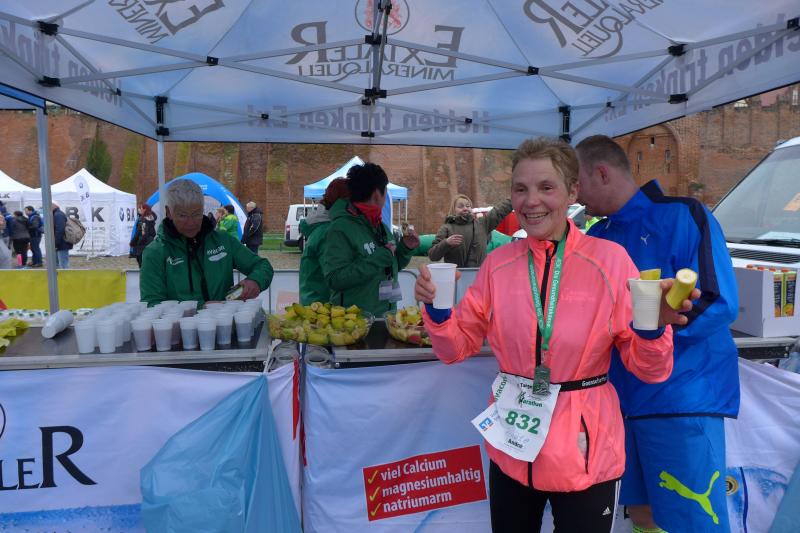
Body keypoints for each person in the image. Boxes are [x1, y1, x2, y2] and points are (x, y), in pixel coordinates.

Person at [414, 137, 700, 532]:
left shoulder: (610, 261)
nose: (531, 201)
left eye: (546, 187)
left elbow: (649, 370)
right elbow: (455, 348)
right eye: (521, 189)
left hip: (584, 450)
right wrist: (438, 311)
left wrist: (652, 328)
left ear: (572, 192)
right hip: (513, 446)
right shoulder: (498, 265)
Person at [575, 135, 739, 533]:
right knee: (642, 513)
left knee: (694, 519)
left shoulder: (684, 215)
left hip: (680, 398)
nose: (574, 195)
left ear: (602, 173)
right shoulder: (595, 238)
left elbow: (718, 301)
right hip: (619, 403)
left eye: (576, 182)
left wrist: (645, 335)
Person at [140, 180, 274, 306]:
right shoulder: (155, 252)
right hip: (179, 324)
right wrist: (200, 310)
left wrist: (255, 281)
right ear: (169, 212)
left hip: (225, 322)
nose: (191, 223)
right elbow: (151, 303)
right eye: (182, 215)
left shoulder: (223, 241)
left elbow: (263, 266)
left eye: (196, 214)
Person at [321, 163, 419, 316]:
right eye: (386, 191)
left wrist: (405, 249)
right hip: (355, 323)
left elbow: (390, 266)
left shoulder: (381, 226)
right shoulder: (340, 228)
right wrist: (379, 258)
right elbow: (335, 279)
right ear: (377, 194)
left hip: (386, 317)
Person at [299, 178, 349, 305]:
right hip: (322, 307)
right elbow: (335, 277)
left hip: (313, 302)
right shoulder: (328, 232)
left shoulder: (321, 227)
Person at [428, 194, 512, 267]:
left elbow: (499, 211)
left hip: (479, 275)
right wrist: (446, 243)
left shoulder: (483, 223)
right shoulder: (446, 228)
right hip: (456, 276)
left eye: (468, 206)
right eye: (460, 206)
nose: (465, 208)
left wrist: (515, 198)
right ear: (453, 210)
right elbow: (433, 256)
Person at [130, 203, 158, 267]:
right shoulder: (151, 218)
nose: (139, 210)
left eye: (140, 208)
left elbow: (143, 234)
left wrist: (134, 242)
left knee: (142, 265)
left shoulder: (142, 220)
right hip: (151, 243)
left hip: (142, 246)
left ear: (145, 210)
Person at [52, 202, 72, 269]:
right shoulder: (56, 214)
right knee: (58, 264)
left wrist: (56, 243)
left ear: (54, 206)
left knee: (63, 265)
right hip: (60, 242)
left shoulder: (58, 215)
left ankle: (66, 275)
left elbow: (60, 230)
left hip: (62, 243)